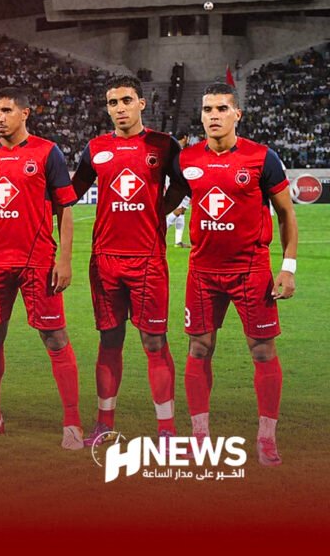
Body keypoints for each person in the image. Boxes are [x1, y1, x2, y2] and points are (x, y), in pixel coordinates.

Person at [178, 82, 297, 466]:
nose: (213, 115)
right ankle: (200, 437)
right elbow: (167, 201)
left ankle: (266, 439)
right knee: (199, 349)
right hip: (202, 271)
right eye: (207, 109)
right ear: (201, 115)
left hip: (250, 270)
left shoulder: (262, 158)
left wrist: (287, 267)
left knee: (262, 351)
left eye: (221, 109)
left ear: (237, 114)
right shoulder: (187, 159)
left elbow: (286, 215)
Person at [71, 75, 187, 444]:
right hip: (105, 261)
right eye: (112, 102)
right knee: (109, 341)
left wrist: (161, 213)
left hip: (148, 260)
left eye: (126, 100)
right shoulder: (95, 148)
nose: (119, 108)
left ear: (141, 103)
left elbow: (184, 184)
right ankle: (104, 422)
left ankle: (166, 431)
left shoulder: (163, 145)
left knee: (155, 342)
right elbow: (71, 192)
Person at [0, 87, 82, 449]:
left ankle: (73, 423)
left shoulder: (47, 152)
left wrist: (64, 259)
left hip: (38, 262)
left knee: (55, 337)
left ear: (24, 113)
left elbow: (64, 209)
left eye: (5, 111)